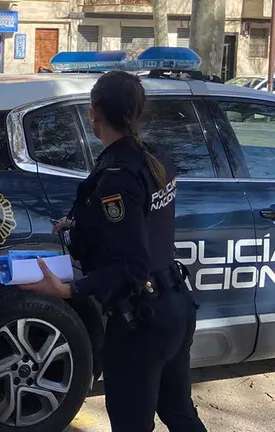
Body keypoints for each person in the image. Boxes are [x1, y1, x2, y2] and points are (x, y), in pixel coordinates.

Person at [19, 71, 206, 432]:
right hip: (175, 307)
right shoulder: (155, 158)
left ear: (94, 114)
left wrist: (68, 289)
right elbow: (143, 226)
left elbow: (132, 267)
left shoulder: (117, 176)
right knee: (180, 414)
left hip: (142, 322)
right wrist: (83, 223)